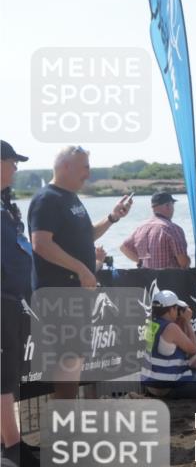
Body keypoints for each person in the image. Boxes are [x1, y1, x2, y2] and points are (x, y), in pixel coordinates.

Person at [27, 146, 133, 399]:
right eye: (85, 166)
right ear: (66, 166)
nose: (89, 172)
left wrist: (112, 217)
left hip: (75, 295)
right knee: (68, 360)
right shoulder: (47, 199)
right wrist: (82, 269)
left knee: (74, 360)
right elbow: (40, 243)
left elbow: (87, 235)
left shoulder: (72, 198)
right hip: (58, 295)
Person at [0, 141, 38, 467]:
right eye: (12, 161)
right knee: (4, 374)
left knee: (9, 372)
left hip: (13, 299)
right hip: (2, 300)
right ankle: (12, 446)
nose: (16, 168)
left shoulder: (6, 203)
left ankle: (7, 441)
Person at [120, 192, 190, 270]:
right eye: (172, 204)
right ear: (167, 206)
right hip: (170, 280)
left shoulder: (141, 227)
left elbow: (124, 248)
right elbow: (183, 263)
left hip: (147, 280)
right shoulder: (172, 229)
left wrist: (141, 262)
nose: (173, 208)